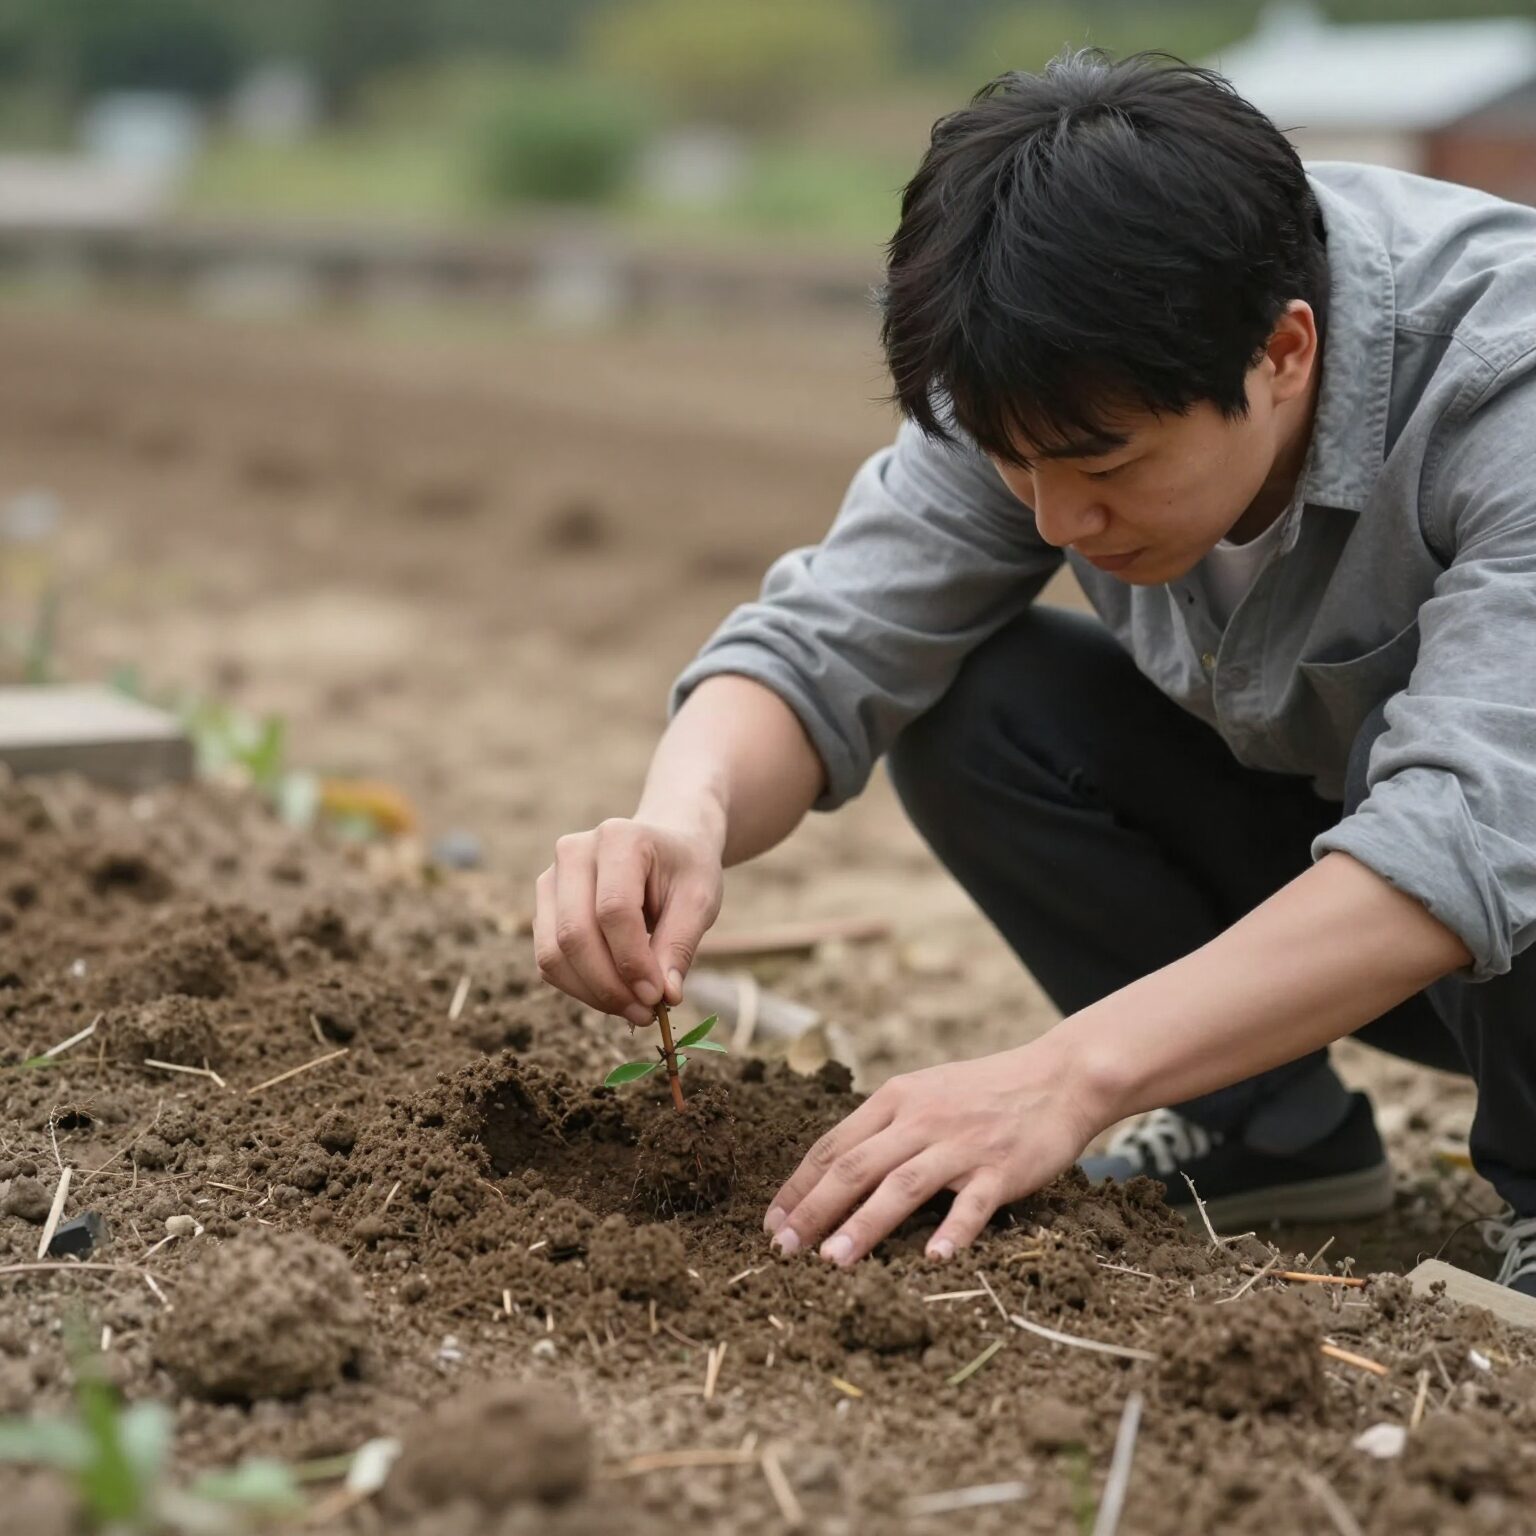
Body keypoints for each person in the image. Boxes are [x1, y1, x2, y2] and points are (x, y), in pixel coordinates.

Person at [532, 51, 1536, 1295]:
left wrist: (1066, 1075)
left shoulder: (1506, 383)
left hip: (1495, 892)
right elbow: (829, 639)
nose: (1059, 522)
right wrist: (684, 814)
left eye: (1106, 466)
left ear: (1284, 352)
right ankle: (1263, 1134)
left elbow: (1472, 829)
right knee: (977, 701)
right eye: (1017, 466)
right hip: (1387, 917)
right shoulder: (1039, 368)